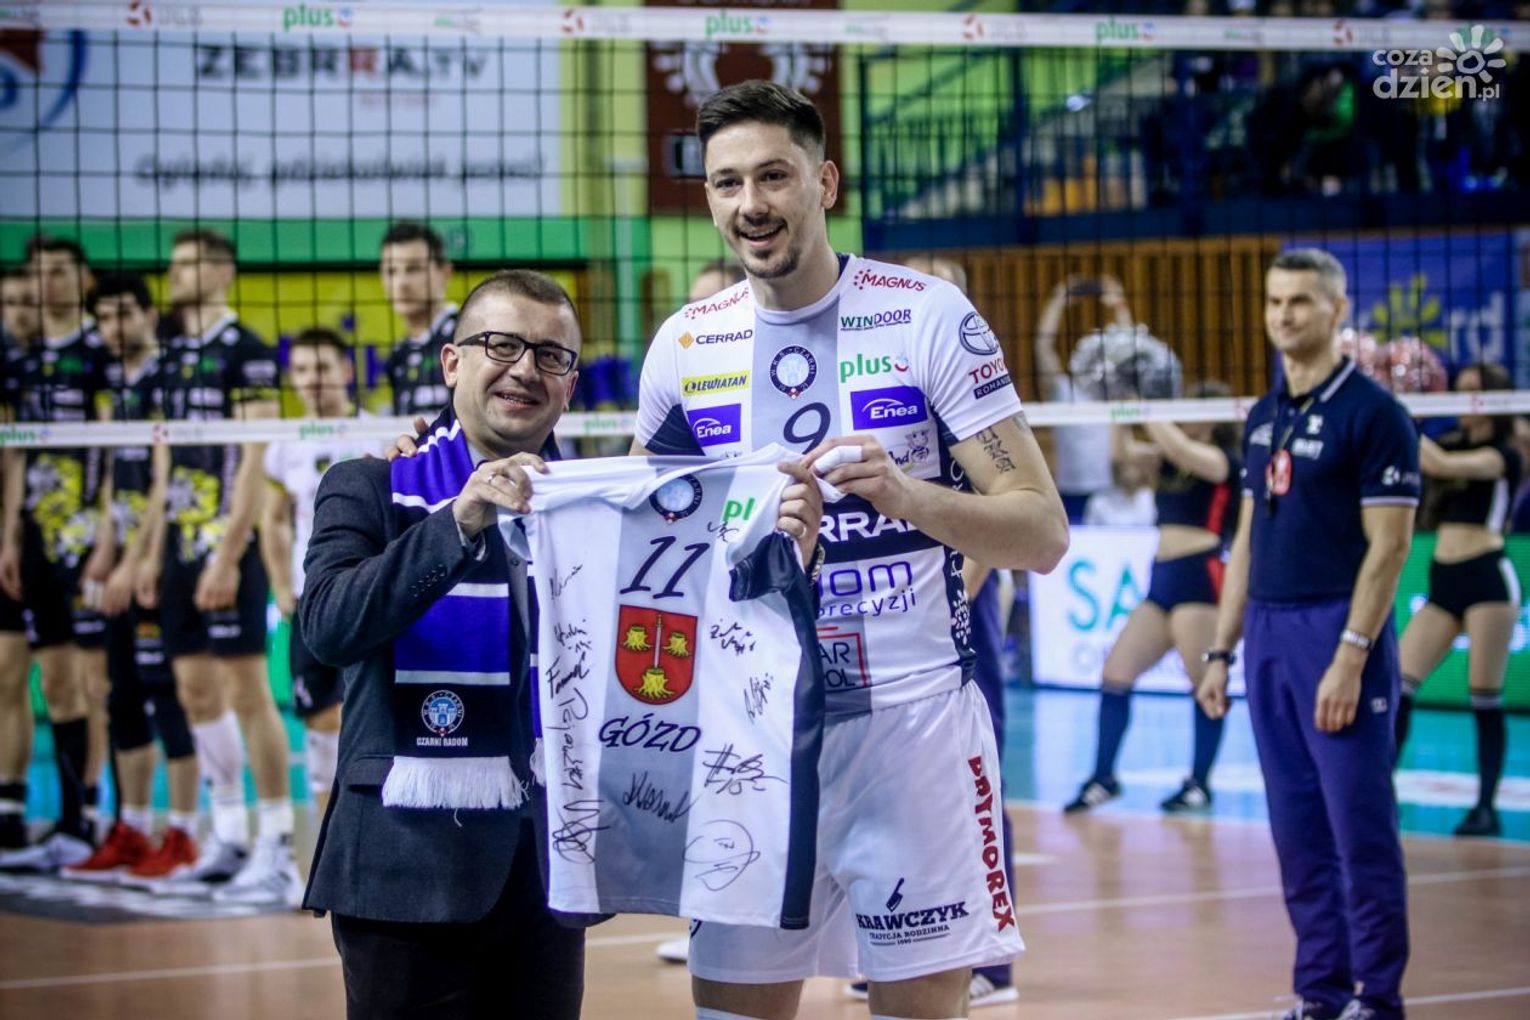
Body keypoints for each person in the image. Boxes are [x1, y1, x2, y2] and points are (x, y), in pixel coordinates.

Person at [632, 81, 1068, 1020]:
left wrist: (907, 496)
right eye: (727, 183)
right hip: (750, 738)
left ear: (824, 182)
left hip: (911, 730)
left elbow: (1041, 531)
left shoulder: (927, 317)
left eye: (774, 176)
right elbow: (646, 552)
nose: (751, 203)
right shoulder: (685, 347)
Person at [299, 270, 591, 1019]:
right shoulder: (368, 486)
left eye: (551, 355)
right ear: (452, 363)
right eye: (502, 345)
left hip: (548, 873)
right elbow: (327, 628)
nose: (525, 368)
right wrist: (457, 521)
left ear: (570, 386)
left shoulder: (598, 506)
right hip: (402, 870)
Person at [1198, 248, 1415, 1020]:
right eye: (1274, 301)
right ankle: (1321, 993)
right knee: (1296, 831)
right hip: (1267, 632)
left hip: (1335, 628)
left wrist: (1352, 656)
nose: (1283, 315)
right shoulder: (1265, 416)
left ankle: (1378, 998)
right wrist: (1221, 651)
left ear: (1337, 310)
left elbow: (1390, 548)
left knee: (1359, 828)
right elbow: (1247, 541)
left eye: (1299, 301)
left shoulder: (1375, 414)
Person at [141, 228, 296, 905]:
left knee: (246, 691)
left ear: (223, 271)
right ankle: (228, 834)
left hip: (227, 546)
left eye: (190, 264)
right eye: (173, 264)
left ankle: (277, 843)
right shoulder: (170, 355)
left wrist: (229, 554)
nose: (176, 275)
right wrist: (152, 551)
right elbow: (163, 463)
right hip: (178, 543)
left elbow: (256, 458)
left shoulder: (247, 351)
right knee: (195, 692)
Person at [62, 272, 202, 882]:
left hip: (160, 559)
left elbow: (163, 482)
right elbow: (111, 476)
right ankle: (132, 827)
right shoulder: (112, 385)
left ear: (148, 314)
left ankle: (183, 832)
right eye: (103, 318)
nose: (113, 328)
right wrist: (105, 547)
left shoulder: (168, 379)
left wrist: (140, 558)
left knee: (168, 694)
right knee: (118, 694)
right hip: (119, 556)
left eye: (124, 314)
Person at [1066, 382, 1241, 815]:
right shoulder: (1168, 459)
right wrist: (1121, 411)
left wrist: (1145, 410)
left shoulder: (1224, 462)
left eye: (1196, 407)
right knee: (1115, 673)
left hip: (1199, 577)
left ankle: (1199, 783)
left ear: (1216, 417)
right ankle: (1103, 778)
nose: (1186, 413)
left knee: (1204, 684)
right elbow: (1123, 453)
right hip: (1161, 578)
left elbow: (1180, 448)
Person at [0, 238, 113, 872]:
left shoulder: (99, 355)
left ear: (83, 279)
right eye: (39, 273)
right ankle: (65, 821)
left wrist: (107, 537)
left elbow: (117, 449)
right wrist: (10, 536)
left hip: (85, 540)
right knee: (55, 682)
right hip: (38, 540)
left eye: (60, 271)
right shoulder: (23, 361)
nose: (48, 283)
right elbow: (16, 452)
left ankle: (85, 816)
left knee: (89, 683)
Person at [1395, 362, 1523, 837]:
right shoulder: (1448, 440)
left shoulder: (1505, 454)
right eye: (1459, 390)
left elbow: (1441, 466)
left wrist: (1397, 414)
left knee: (1484, 697)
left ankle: (1486, 807)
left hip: (1488, 577)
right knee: (1399, 684)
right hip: (1443, 579)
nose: (1464, 400)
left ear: (1494, 399)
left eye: (1473, 391)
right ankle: (1377, 795)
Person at [259, 327, 377, 822]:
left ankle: (368, 833)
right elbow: (273, 519)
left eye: (323, 368)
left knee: (365, 719)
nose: (313, 380)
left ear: (347, 371)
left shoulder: (378, 433)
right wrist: (280, 584)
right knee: (319, 722)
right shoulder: (285, 444)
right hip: (311, 599)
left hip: (366, 596)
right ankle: (328, 837)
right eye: (303, 370)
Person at [0, 266, 39, 850]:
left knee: (72, 681)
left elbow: (13, 459)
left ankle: (80, 814)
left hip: (48, 543)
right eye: (8, 302)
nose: (18, 312)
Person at [1034, 276, 1125, 524]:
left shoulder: (1109, 394)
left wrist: (1119, 304)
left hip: (1105, 492)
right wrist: (1057, 301)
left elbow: (1129, 349)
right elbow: (1043, 347)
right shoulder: (1063, 390)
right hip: (1068, 493)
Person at [381, 221, 457, 420]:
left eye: (413, 269)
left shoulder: (465, 336)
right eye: (391, 271)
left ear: (445, 272)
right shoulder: (398, 355)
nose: (401, 283)